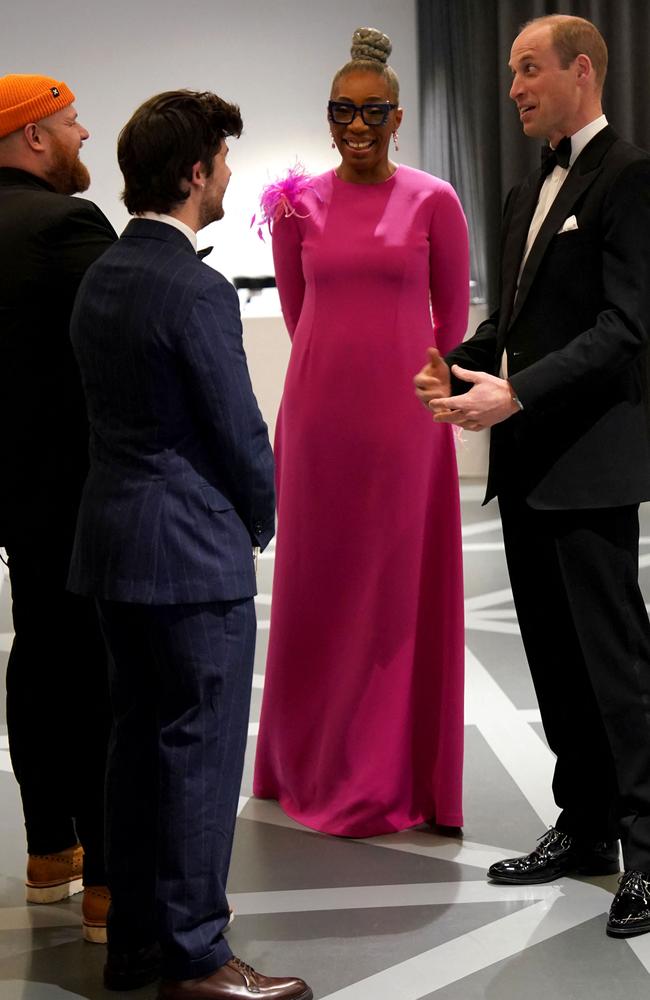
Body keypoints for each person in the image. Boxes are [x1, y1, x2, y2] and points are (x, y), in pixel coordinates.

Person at [67, 90, 312, 1000]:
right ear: (194, 173)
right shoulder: (197, 287)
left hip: (113, 546)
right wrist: (262, 514)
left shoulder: (104, 273)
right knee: (200, 756)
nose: (230, 172)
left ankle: (135, 942)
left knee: (135, 751)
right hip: (190, 551)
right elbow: (239, 428)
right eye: (220, 157)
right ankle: (199, 957)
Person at [415, 14, 650, 937]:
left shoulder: (629, 177)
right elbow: (515, 326)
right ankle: (586, 825)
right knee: (553, 659)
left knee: (617, 666)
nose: (512, 87)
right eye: (509, 71)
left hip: (590, 462)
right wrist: (456, 358)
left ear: (581, 71)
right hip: (526, 465)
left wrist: (514, 393)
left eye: (527, 70)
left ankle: (645, 848)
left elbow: (625, 327)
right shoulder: (522, 195)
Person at [254, 27, 470, 837]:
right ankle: (305, 758)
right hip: (319, 421)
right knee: (317, 589)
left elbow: (449, 320)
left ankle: (389, 771)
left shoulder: (433, 199)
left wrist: (427, 385)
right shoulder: (294, 204)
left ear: (398, 116)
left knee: (392, 595)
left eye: (372, 111)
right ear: (328, 114)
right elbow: (297, 310)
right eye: (342, 110)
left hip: (404, 425)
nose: (356, 124)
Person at [0, 73, 115, 942]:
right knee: (101, 677)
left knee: (36, 652)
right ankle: (110, 884)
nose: (83, 135)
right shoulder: (67, 225)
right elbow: (121, 349)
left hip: (13, 499)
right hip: (81, 494)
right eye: (71, 123)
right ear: (36, 136)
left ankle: (47, 853)